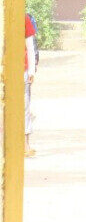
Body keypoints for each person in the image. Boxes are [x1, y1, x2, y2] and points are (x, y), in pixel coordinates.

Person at [24, 12, 36, 157]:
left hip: (22, 68)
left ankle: (25, 143)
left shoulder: (23, 17)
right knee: (25, 106)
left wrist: (31, 69)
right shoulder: (23, 16)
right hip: (23, 69)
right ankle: (25, 145)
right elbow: (30, 45)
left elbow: (30, 45)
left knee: (25, 106)